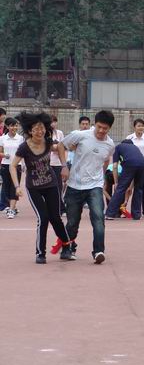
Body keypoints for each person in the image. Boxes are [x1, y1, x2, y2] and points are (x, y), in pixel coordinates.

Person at [11, 112, 74, 264]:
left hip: (51, 184)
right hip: (34, 187)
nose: (40, 132)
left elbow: (60, 146)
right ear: (30, 131)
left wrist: (64, 166)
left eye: (42, 128)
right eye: (36, 129)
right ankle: (40, 253)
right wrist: (17, 186)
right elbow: (13, 166)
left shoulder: (47, 142)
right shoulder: (24, 147)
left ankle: (67, 246)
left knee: (56, 218)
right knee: (43, 218)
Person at [58, 110, 115, 265]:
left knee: (98, 217)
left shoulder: (110, 144)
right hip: (75, 185)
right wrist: (64, 166)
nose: (101, 131)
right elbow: (61, 145)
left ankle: (98, 251)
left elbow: (105, 160)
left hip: (94, 185)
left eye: (105, 128)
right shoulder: (80, 135)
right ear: (94, 124)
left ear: (109, 128)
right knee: (72, 222)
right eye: (99, 127)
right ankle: (68, 249)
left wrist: (101, 176)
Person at [105, 139, 144, 220]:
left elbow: (115, 166)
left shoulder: (118, 147)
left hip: (130, 163)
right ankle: (136, 214)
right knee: (138, 188)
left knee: (120, 189)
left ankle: (110, 214)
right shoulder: (135, 147)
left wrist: (116, 182)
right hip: (143, 163)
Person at [126, 119, 144, 218]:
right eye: (138, 126)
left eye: (142, 125)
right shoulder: (129, 138)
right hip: (131, 166)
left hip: (143, 165)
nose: (140, 127)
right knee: (128, 188)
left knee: (143, 188)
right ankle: (123, 208)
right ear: (134, 127)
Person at [0, 117, 24, 219]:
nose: (14, 128)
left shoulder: (20, 138)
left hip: (17, 165)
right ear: (7, 126)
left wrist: (23, 164)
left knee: (14, 186)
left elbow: (23, 152)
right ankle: (12, 207)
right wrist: (4, 155)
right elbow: (0, 152)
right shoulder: (2, 138)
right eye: (12, 126)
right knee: (6, 187)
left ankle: (11, 209)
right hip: (5, 165)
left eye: (16, 126)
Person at [49, 116, 66, 214]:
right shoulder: (45, 133)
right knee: (48, 186)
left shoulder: (60, 133)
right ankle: (50, 207)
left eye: (55, 122)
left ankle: (60, 207)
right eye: (51, 122)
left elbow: (62, 146)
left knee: (59, 186)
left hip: (57, 163)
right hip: (48, 163)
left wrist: (64, 164)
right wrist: (54, 147)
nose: (53, 124)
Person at [0, 107, 8, 212]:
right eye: (3, 115)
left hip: (4, 158)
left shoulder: (5, 127)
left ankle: (3, 204)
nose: (4, 117)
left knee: (5, 182)